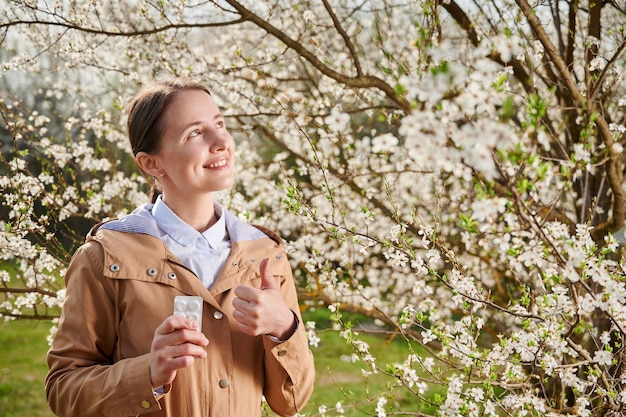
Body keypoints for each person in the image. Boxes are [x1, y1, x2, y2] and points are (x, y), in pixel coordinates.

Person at [45, 78, 315, 417]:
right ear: (151, 164)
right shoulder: (104, 257)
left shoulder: (265, 256)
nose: (221, 142)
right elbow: (63, 390)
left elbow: (290, 402)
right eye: (195, 133)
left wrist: (284, 328)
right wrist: (148, 372)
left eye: (220, 124)